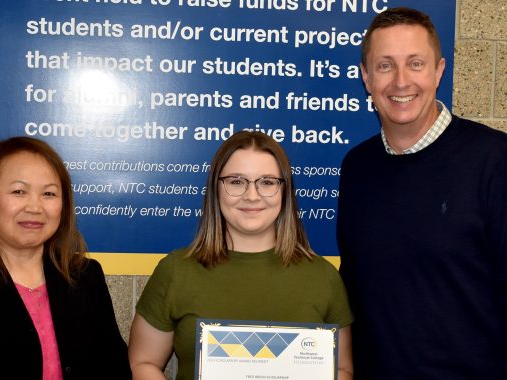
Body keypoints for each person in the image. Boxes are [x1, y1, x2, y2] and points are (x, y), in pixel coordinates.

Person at [337, 7, 507, 379]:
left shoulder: (495, 160)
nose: (401, 81)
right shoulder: (356, 168)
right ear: (366, 77)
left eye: (415, 63)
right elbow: (351, 289)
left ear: (439, 71)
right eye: (385, 65)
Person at [129, 131, 354, 380]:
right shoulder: (176, 271)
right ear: (217, 188)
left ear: (284, 191)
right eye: (236, 181)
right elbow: (144, 362)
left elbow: (342, 370)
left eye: (267, 182)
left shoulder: (323, 277)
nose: (252, 195)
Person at [0, 137, 132, 380]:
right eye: (19, 191)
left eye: (49, 194)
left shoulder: (84, 276)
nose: (35, 207)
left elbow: (116, 370)